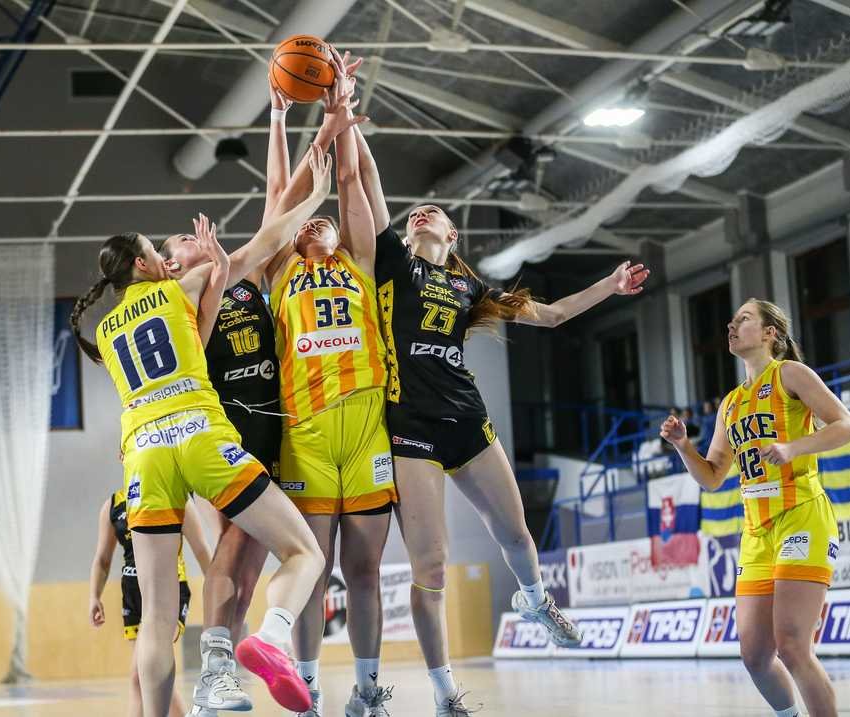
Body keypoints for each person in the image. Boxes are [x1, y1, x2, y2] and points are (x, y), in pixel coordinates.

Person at [346, 65, 650, 713]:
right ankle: (445, 692)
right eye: (417, 212)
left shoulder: (469, 288)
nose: (424, 212)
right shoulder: (392, 263)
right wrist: (348, 116)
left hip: (467, 421)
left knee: (516, 534)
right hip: (409, 429)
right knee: (431, 567)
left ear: (452, 236)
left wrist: (610, 284)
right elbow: (368, 183)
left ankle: (536, 602)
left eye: (436, 213)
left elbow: (554, 315)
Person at [69, 145, 333, 717]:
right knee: (304, 552)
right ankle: (268, 638)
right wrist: (315, 195)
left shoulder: (108, 329)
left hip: (142, 454)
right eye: (154, 251)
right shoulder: (177, 289)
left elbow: (197, 331)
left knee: (156, 619)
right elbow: (267, 241)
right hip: (198, 435)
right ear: (146, 265)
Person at [160, 85, 364, 716]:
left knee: (247, 561)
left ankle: (224, 674)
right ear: (171, 267)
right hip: (228, 427)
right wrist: (315, 135)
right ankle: (215, 667)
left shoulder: (244, 272)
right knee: (234, 547)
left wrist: (294, 121)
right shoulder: (185, 300)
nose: (192, 238)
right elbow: (283, 201)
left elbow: (280, 204)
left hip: (275, 428)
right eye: (180, 242)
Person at [258, 55, 395, 717]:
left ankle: (367, 691)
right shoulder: (280, 271)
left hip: (366, 431)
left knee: (365, 572)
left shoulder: (361, 261)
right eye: (307, 223)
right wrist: (279, 116)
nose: (316, 223)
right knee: (311, 570)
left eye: (327, 220)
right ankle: (307, 687)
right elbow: (281, 194)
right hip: (306, 437)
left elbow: (346, 178)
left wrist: (339, 112)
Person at [660, 299, 850, 717]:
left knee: (792, 646)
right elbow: (712, 477)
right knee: (754, 655)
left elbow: (848, 426)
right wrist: (683, 447)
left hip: (801, 515)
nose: (732, 326)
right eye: (731, 321)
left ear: (771, 333)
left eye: (744, 319)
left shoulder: (790, 374)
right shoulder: (731, 404)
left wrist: (793, 448)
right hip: (756, 532)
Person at [89, 488, 211, 717]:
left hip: (168, 590)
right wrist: (94, 596)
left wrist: (216, 594)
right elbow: (102, 559)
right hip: (134, 595)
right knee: (153, 675)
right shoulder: (113, 505)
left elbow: (201, 548)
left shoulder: (174, 496)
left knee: (141, 675)